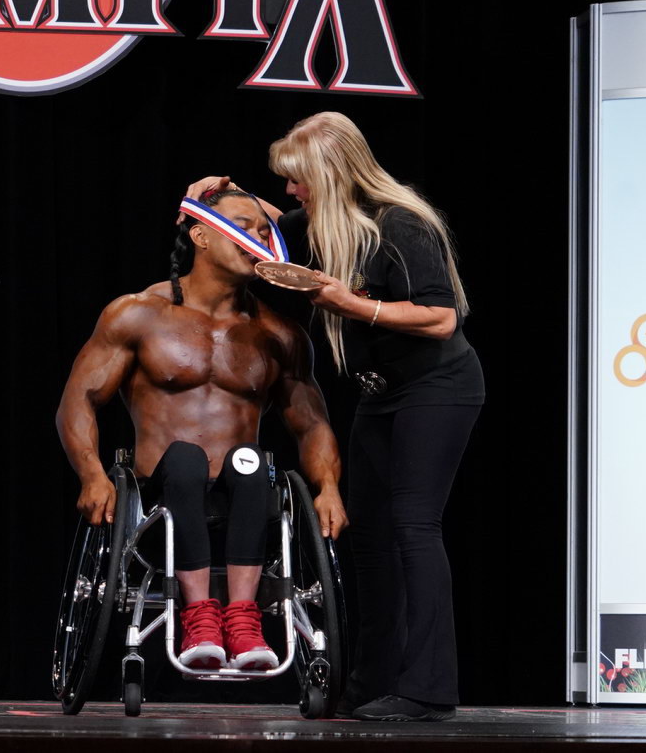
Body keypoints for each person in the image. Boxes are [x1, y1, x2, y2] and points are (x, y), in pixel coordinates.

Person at [186, 112, 483, 722]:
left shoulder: (400, 224)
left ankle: (429, 689)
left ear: (329, 174)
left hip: (437, 387)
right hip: (380, 394)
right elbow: (261, 224)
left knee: (414, 527)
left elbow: (442, 319)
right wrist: (221, 192)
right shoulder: (322, 222)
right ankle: (372, 680)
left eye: (298, 179)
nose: (290, 191)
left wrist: (353, 305)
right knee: (368, 539)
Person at [56, 190, 348, 671]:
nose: (257, 239)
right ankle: (198, 616)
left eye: (264, 231)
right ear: (201, 236)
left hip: (245, 502)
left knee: (251, 464)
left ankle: (243, 619)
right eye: (243, 226)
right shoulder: (138, 313)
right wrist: (91, 474)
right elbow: (79, 399)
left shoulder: (279, 333)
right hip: (157, 504)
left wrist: (329, 487)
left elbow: (311, 422)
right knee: (186, 458)